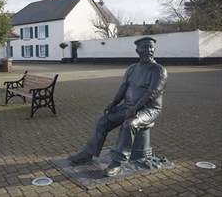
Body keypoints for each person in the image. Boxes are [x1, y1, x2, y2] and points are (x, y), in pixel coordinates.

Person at [68, 37, 168, 177]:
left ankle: (117, 162)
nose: (149, 50)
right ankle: (88, 153)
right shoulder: (132, 69)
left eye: (151, 47)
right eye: (145, 48)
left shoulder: (159, 70)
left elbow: (152, 93)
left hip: (149, 108)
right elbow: (123, 88)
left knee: (129, 124)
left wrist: (135, 109)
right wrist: (114, 103)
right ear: (137, 51)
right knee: (104, 120)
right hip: (128, 106)